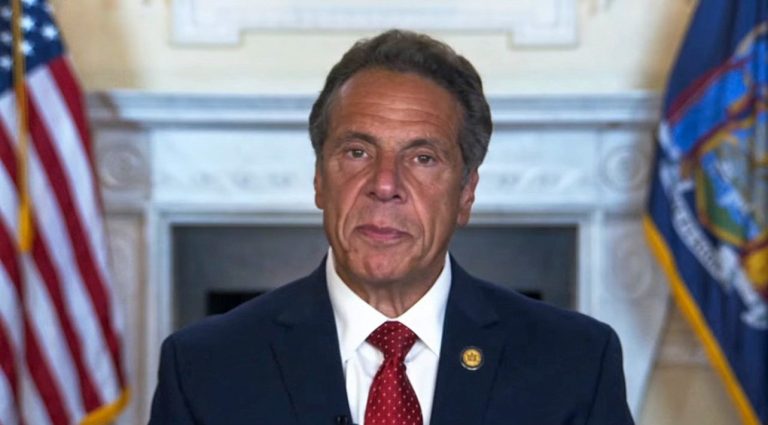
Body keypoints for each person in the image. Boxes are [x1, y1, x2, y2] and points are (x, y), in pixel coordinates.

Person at [148, 29, 634, 425]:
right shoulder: (204, 366)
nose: (384, 185)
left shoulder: (575, 361)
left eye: (423, 158)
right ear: (319, 180)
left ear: (466, 193)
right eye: (357, 152)